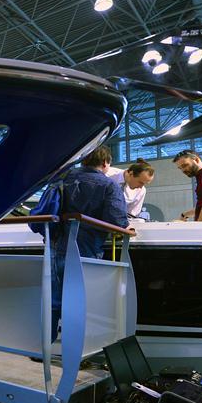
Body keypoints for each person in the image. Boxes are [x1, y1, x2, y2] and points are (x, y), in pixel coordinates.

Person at [45, 146, 131, 342]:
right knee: (81, 298)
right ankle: (74, 348)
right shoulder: (109, 185)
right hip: (86, 247)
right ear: (105, 163)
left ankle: (45, 347)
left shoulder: (62, 178)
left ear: (84, 160)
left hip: (55, 243)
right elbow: (117, 221)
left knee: (53, 297)